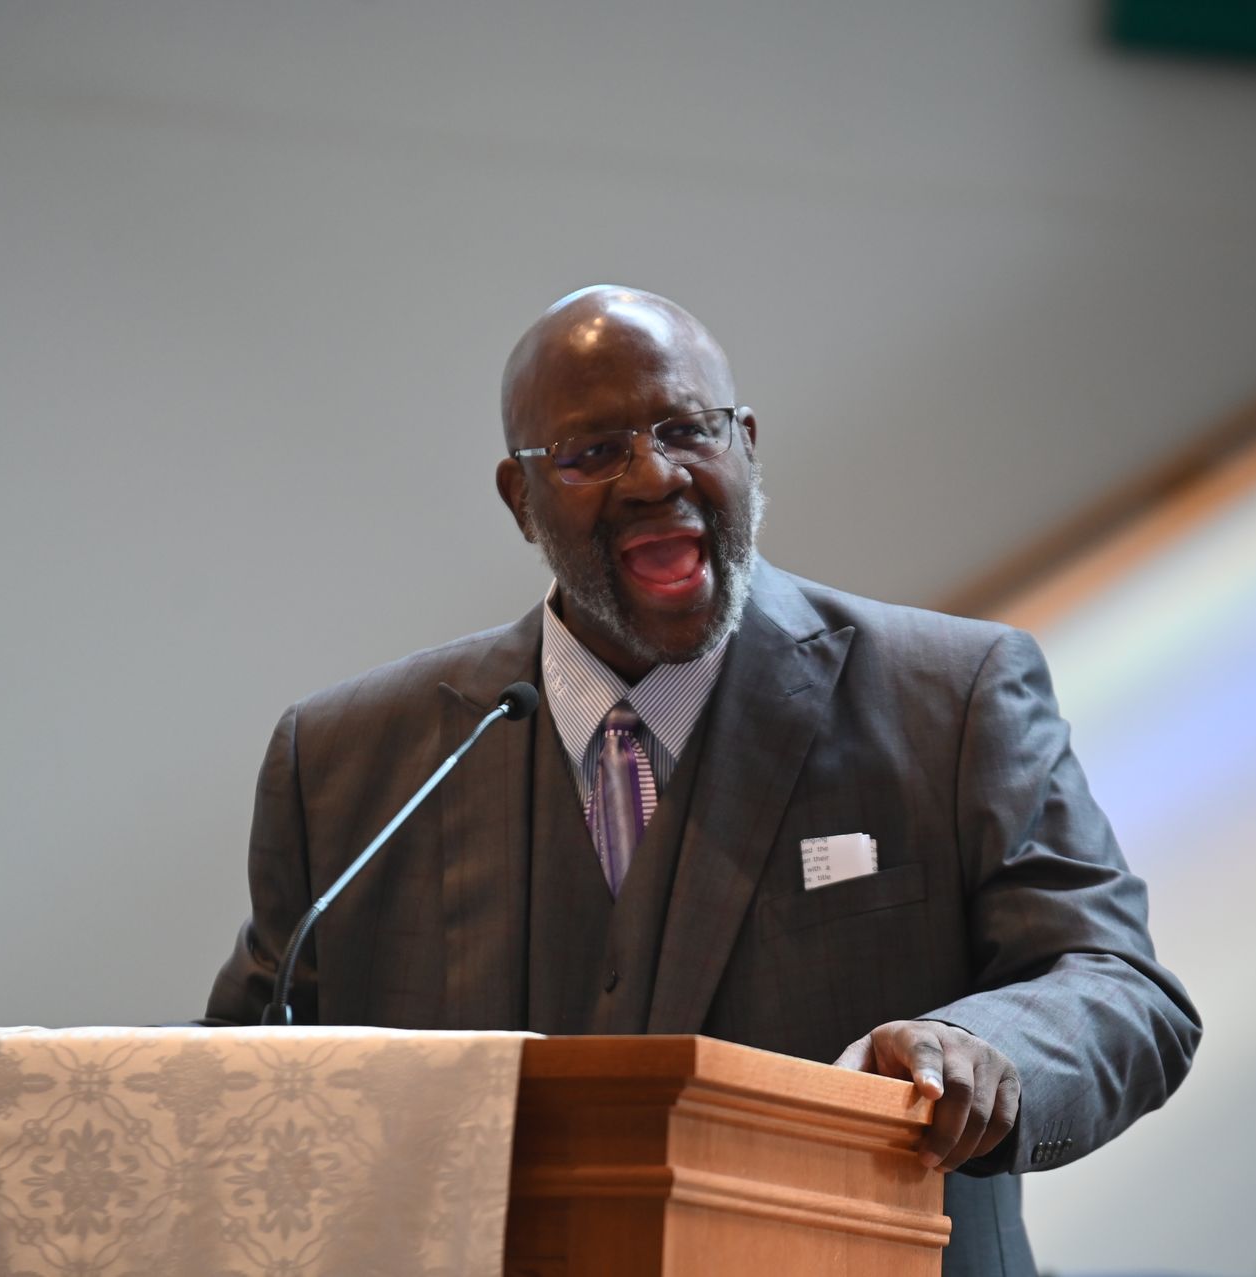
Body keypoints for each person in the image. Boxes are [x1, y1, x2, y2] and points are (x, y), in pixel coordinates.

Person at [204, 285, 1200, 1276]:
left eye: (688, 429)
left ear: (747, 445)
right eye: (592, 451)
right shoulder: (345, 761)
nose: (653, 475)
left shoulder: (948, 695)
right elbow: (233, 1084)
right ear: (521, 498)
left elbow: (1122, 987)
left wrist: (982, 1047)